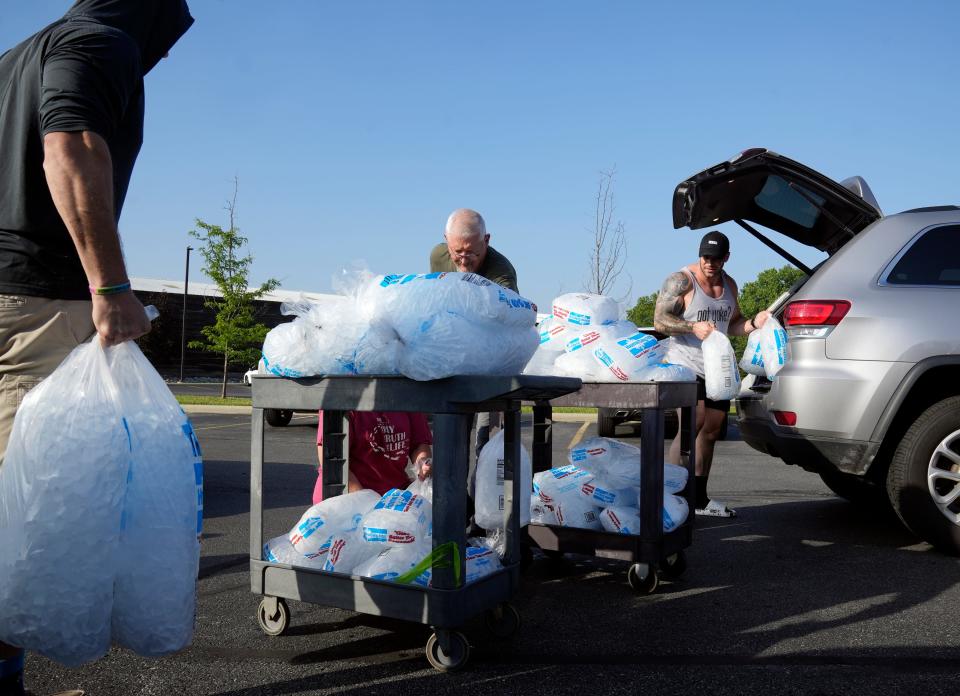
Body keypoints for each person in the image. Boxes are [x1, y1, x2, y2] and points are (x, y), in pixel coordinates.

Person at [0, 1, 194, 694]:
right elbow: (73, 142)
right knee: (22, 518)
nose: (164, 53)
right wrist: (109, 284)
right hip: (36, 304)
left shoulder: (21, 55)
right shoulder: (101, 41)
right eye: (169, 35)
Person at [654, 230, 770, 518]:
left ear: (726, 258)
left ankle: (699, 498)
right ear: (700, 254)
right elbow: (659, 321)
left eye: (716, 258)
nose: (709, 263)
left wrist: (755, 322)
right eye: (706, 257)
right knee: (693, 423)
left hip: (716, 369)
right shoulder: (681, 280)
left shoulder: (730, 285)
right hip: (685, 364)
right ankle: (673, 494)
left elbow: (734, 324)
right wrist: (692, 326)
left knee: (713, 429)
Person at [429, 209, 518, 528]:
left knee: (486, 442)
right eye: (458, 252)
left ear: (487, 241)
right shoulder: (438, 256)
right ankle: (451, 511)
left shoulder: (501, 273)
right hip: (452, 364)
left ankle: (483, 521)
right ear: (446, 243)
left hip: (488, 369)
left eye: (472, 253)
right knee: (449, 438)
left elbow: (508, 323)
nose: (463, 260)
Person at [313, 411, 433, 502]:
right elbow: (332, 460)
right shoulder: (344, 393)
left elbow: (419, 444)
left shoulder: (406, 390)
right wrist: (368, 504)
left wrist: (422, 464)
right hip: (346, 499)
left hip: (394, 499)